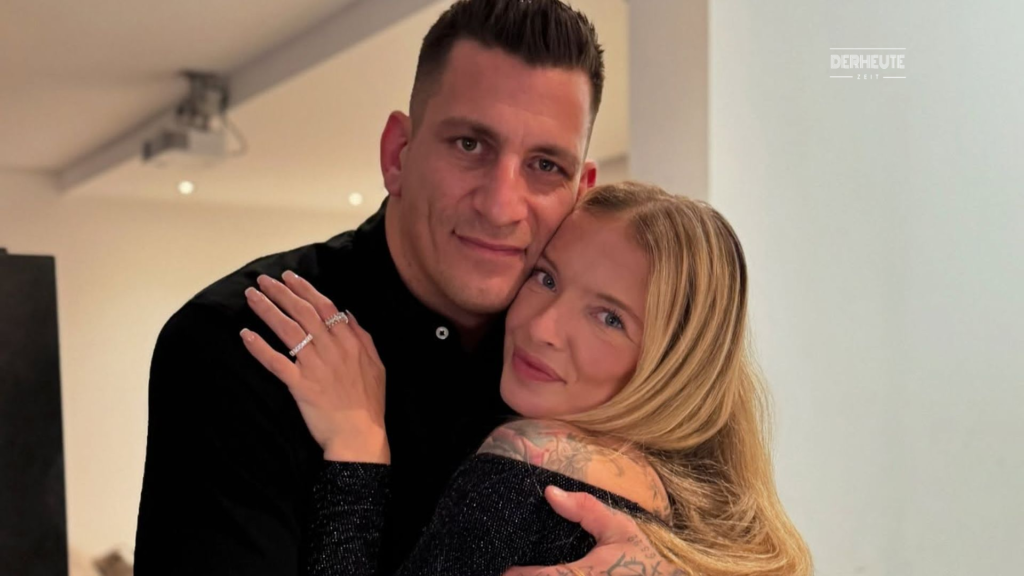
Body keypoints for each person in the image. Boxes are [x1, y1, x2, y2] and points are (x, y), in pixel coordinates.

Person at [134, 1, 679, 575]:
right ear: (397, 154)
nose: (501, 207)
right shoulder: (241, 343)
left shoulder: (603, 369)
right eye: (470, 145)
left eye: (545, 165)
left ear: (580, 193)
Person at [242, 182, 814, 576]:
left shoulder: (535, 459)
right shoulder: (670, 504)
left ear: (673, 361)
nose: (542, 328)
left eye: (609, 318)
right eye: (546, 278)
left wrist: (357, 446)